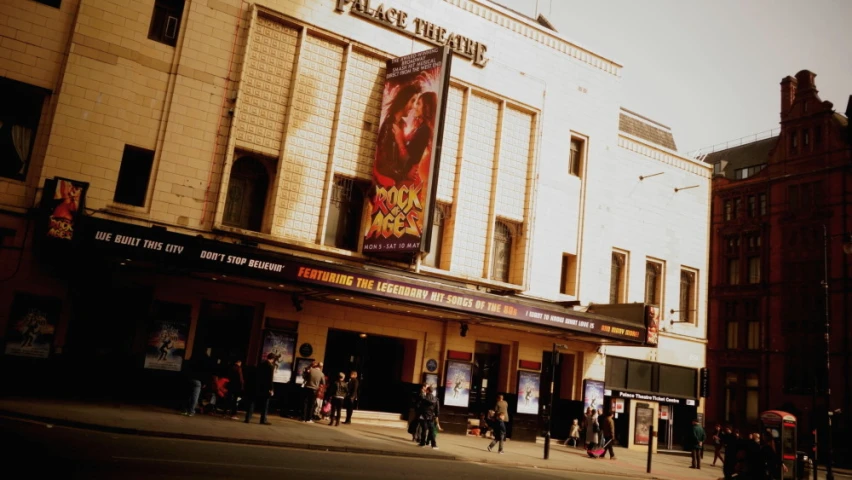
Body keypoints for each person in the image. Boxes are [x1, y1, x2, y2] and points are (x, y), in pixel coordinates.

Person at [373, 83, 422, 187]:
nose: (413, 107)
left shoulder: (402, 125)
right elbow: (382, 164)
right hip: (386, 187)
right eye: (412, 101)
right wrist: (403, 175)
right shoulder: (389, 126)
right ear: (404, 100)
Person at [244, 353, 275, 425]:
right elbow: (270, 379)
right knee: (265, 404)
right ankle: (263, 420)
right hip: (265, 388)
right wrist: (271, 389)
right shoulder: (270, 366)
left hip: (256, 387)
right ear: (273, 359)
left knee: (252, 402)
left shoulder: (260, 365)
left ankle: (247, 418)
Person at [180, 352, 212, 417]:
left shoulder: (192, 361)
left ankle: (184, 410)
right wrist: (204, 383)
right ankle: (191, 411)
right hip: (198, 381)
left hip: (189, 379)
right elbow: (205, 374)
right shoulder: (204, 364)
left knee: (187, 395)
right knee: (195, 397)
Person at [417, 385, 439, 449]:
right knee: (431, 431)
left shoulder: (424, 398)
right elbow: (437, 410)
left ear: (427, 390)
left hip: (423, 416)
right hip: (431, 417)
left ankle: (422, 443)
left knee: (424, 430)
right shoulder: (436, 399)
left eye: (426, 390)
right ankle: (434, 445)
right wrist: (436, 416)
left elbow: (420, 406)